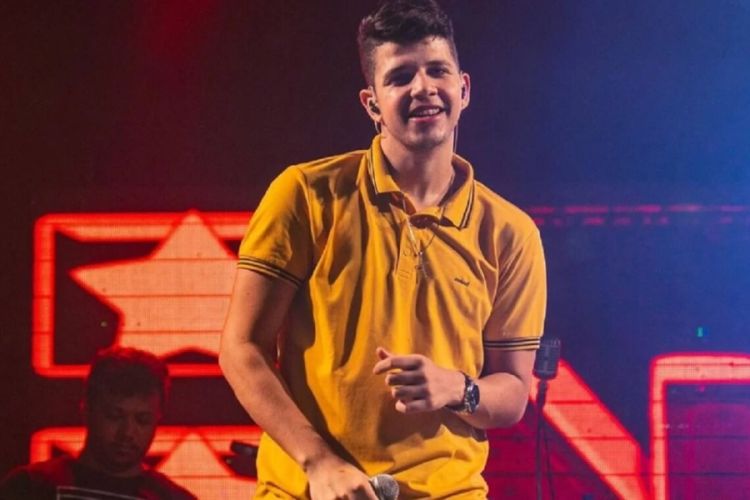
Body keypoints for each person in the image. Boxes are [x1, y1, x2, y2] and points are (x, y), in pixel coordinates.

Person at [220, 0, 547, 498]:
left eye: (437, 70)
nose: (423, 87)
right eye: (400, 77)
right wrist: (319, 463)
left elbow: (514, 392)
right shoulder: (305, 194)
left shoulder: (511, 233)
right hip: (308, 490)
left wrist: (458, 388)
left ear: (464, 89)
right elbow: (241, 349)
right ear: (372, 103)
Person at [0, 347, 196, 500]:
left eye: (142, 420)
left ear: (157, 420)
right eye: (114, 416)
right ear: (87, 409)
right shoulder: (30, 487)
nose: (128, 432)